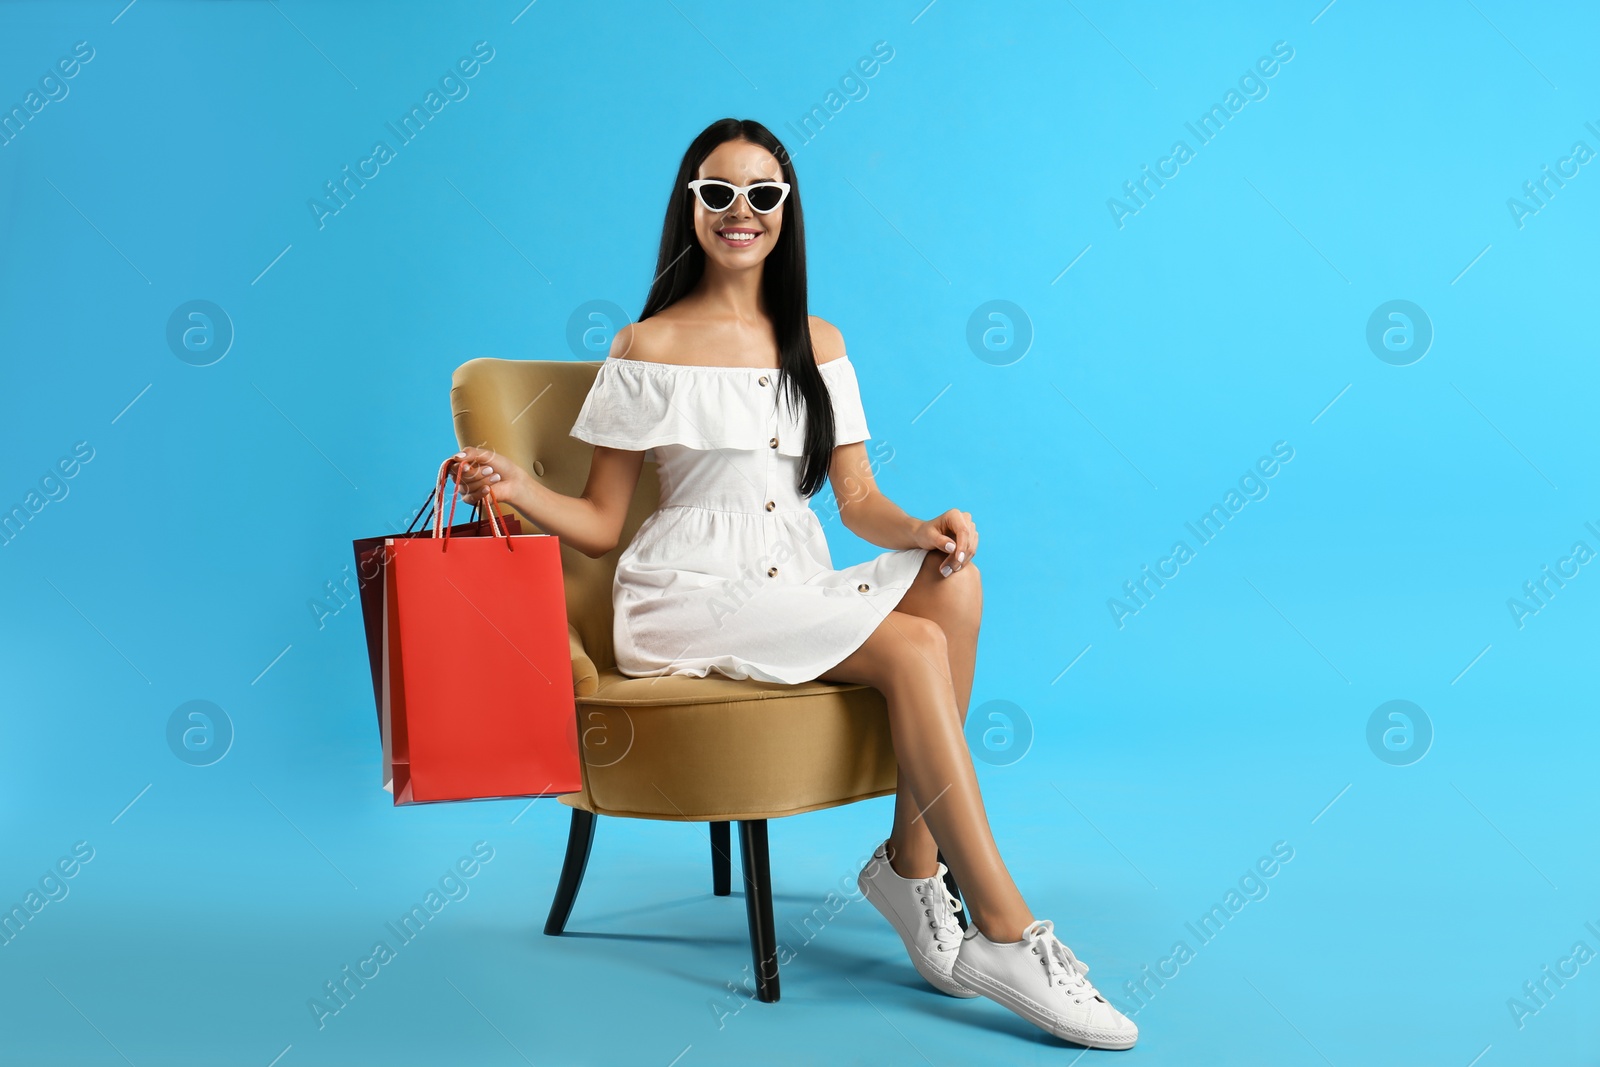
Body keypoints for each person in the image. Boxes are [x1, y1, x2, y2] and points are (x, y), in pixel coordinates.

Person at [446, 117, 1137, 1051]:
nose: (742, 213)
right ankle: (1006, 932)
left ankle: (911, 866)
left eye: (762, 194)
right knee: (912, 643)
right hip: (688, 589)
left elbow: (855, 498)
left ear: (786, 209)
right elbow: (606, 523)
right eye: (719, 192)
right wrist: (524, 488)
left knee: (952, 590)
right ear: (690, 205)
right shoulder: (644, 344)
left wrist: (924, 528)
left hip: (790, 570)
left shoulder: (817, 339)